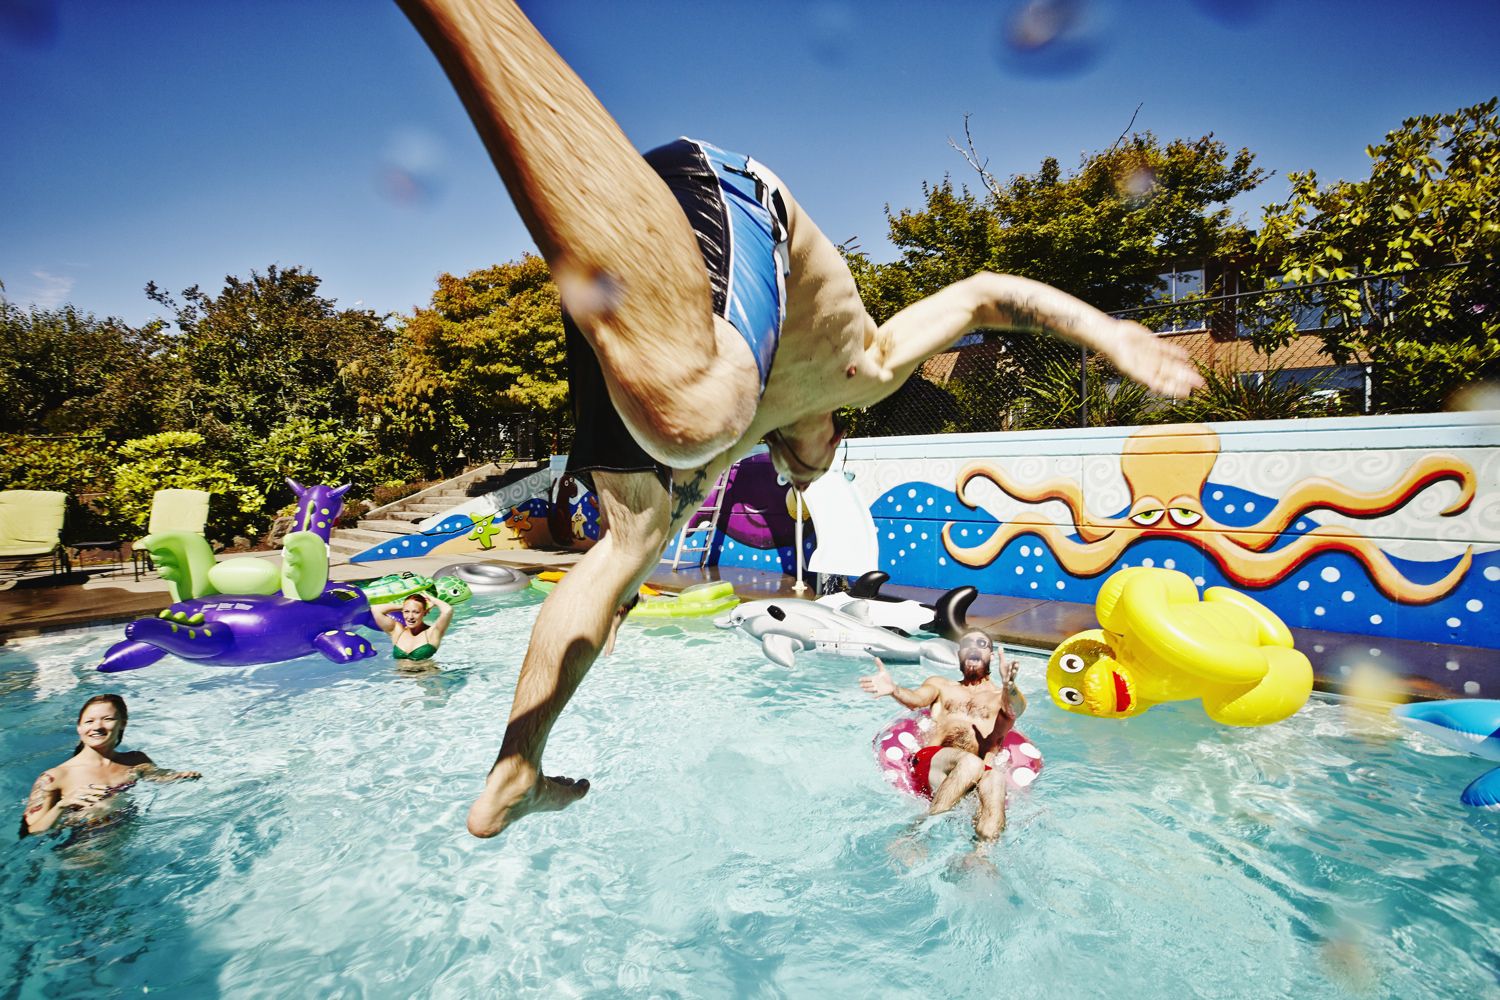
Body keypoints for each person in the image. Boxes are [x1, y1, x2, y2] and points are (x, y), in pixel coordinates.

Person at [395, 0, 1203, 838]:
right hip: (725, 192)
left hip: (644, 277)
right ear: (838, 435)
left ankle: (517, 766)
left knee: (629, 547)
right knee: (698, 416)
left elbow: (622, 577)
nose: (798, 474)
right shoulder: (869, 369)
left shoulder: (743, 439)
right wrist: (1106, 330)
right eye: (809, 469)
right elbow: (985, 295)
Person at [861, 631, 1024, 839]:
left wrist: (1009, 687)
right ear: (958, 654)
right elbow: (916, 699)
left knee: (996, 779)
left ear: (991, 655)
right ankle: (917, 833)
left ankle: (981, 855)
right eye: (967, 644)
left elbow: (1015, 709)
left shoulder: (1001, 698)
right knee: (971, 763)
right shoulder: (941, 685)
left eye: (981, 644)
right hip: (934, 764)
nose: (973, 647)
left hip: (978, 773)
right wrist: (894, 689)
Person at [18, 694, 200, 839]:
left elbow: (157, 776)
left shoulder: (136, 761)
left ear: (122, 724)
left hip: (129, 844)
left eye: (107, 719)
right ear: (79, 728)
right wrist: (62, 805)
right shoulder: (55, 777)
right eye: (89, 721)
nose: (97, 726)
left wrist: (180, 777)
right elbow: (33, 831)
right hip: (83, 854)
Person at [371, 592, 456, 667]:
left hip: (428, 680)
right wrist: (405, 606)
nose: (410, 617)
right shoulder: (397, 631)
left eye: (416, 612)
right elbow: (375, 610)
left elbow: (448, 610)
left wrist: (431, 599)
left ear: (425, 612)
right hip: (402, 682)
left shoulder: (433, 632)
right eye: (406, 612)